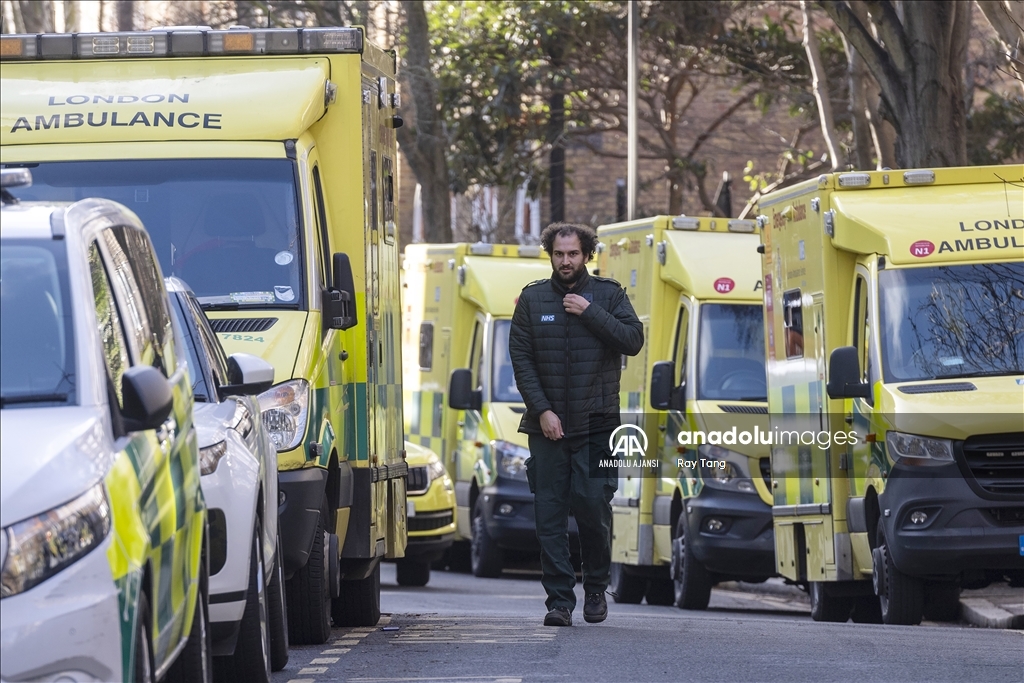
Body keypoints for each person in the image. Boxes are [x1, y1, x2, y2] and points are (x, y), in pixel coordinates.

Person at [509, 222, 644, 627]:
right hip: (547, 427)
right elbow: (522, 360)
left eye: (572, 254)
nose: (565, 261)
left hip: (597, 427)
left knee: (592, 508)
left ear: (587, 255)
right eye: (558, 254)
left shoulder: (609, 294)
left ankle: (596, 588)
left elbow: (633, 340)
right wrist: (542, 410)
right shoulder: (532, 299)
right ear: (549, 255)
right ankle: (559, 602)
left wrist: (590, 312)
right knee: (549, 517)